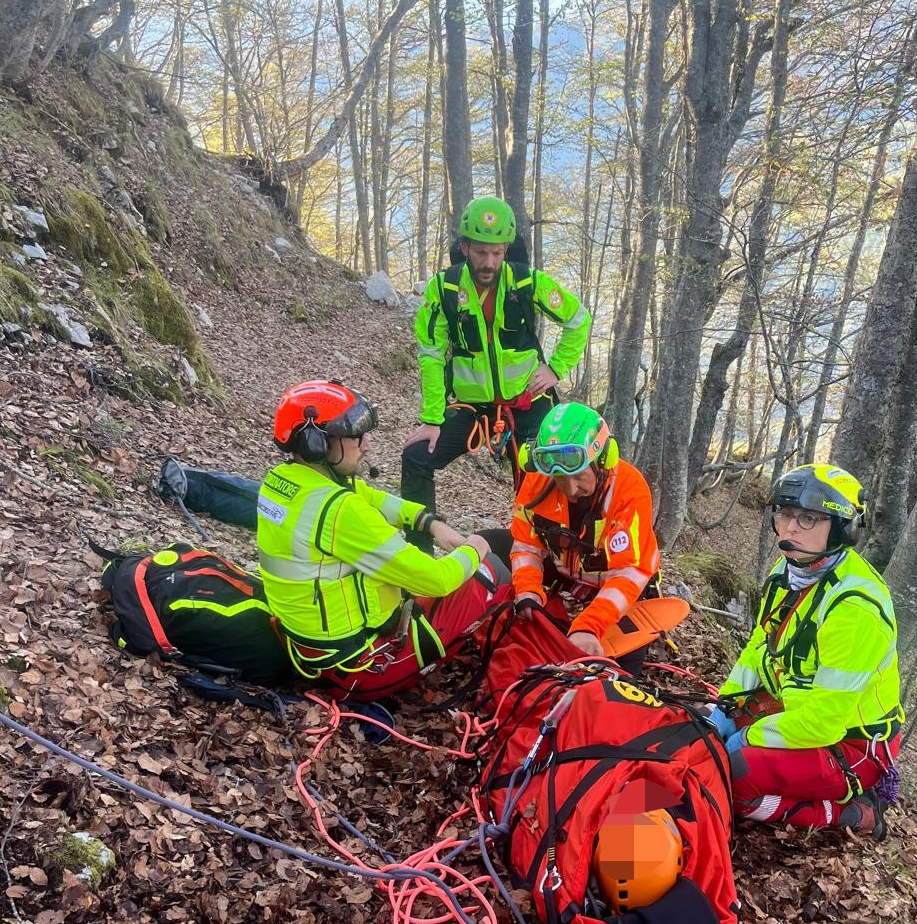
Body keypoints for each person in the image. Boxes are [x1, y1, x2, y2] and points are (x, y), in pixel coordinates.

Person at [257, 380, 508, 697]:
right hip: (360, 668)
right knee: (492, 572)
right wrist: (477, 547)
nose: (367, 445)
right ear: (316, 442)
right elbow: (437, 579)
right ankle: (506, 659)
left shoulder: (284, 481)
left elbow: (370, 496)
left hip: (311, 652)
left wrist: (427, 521)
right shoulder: (341, 512)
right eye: (355, 436)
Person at [709, 462, 903, 838]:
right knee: (703, 735)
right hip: (795, 708)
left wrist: (748, 736)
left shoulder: (855, 608)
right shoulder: (788, 572)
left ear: (843, 527)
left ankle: (855, 813)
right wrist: (725, 707)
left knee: (734, 775)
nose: (791, 528)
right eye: (785, 514)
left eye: (809, 518)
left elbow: (824, 723)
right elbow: (759, 648)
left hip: (852, 742)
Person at [402, 196, 592, 531]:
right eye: (480, 252)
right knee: (416, 456)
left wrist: (556, 369)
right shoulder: (444, 289)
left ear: (506, 249)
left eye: (497, 253)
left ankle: (541, 550)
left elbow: (578, 320)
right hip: (472, 408)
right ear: (464, 248)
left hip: (528, 401)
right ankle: (418, 551)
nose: (489, 263)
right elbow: (431, 354)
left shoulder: (527, 281)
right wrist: (432, 419)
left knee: (542, 477)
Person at [509, 403, 659, 658]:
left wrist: (589, 626)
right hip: (564, 572)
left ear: (602, 460)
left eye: (578, 475)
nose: (570, 489)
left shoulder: (629, 490)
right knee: (493, 544)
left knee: (622, 663)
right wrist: (527, 590)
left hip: (618, 582)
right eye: (560, 478)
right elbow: (525, 546)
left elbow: (628, 572)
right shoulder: (537, 480)